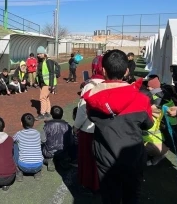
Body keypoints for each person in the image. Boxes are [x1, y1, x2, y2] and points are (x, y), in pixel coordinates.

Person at [83, 49, 153, 204]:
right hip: (133, 156)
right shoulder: (141, 98)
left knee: (110, 198)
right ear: (127, 70)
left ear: (103, 70)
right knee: (131, 197)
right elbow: (148, 124)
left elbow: (91, 117)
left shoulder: (93, 97)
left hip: (106, 158)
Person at [73, 59, 104, 193]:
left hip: (89, 129)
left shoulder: (89, 86)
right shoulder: (112, 84)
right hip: (106, 129)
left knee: (88, 158)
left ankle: (89, 182)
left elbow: (83, 110)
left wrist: (76, 127)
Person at [143, 75, 169, 166]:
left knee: (163, 152)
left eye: (149, 86)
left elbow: (157, 112)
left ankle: (149, 160)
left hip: (147, 135)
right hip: (154, 132)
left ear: (153, 87)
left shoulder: (156, 99)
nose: (147, 87)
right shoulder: (162, 95)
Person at [41, 106, 75, 171]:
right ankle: (63, 160)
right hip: (63, 151)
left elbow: (43, 139)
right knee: (68, 149)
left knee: (41, 146)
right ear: (62, 115)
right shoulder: (67, 126)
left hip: (49, 152)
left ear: (51, 115)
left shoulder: (47, 125)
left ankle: (49, 160)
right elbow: (71, 141)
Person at [13, 113, 43, 181]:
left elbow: (12, 140)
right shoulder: (38, 133)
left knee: (15, 144)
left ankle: (19, 172)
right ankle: (37, 173)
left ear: (21, 123)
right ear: (33, 123)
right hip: (38, 166)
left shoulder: (18, 134)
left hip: (23, 167)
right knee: (38, 144)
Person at [36, 46, 56, 120]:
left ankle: (42, 113)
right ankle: (48, 112)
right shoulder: (40, 61)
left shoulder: (48, 61)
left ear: (44, 53)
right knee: (46, 98)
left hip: (47, 83)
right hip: (41, 82)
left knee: (42, 98)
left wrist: (51, 84)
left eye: (40, 53)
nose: (38, 55)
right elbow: (39, 72)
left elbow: (51, 73)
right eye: (38, 54)